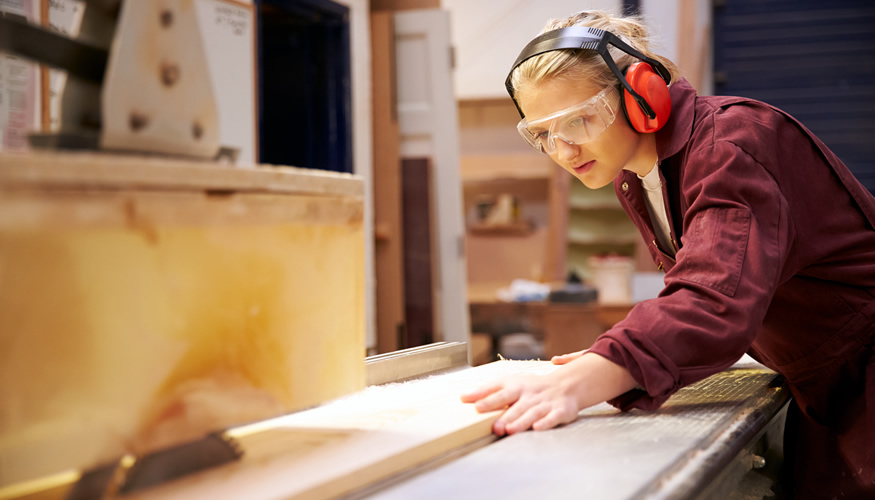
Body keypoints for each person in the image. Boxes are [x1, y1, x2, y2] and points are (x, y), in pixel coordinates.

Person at [460, 9, 875, 498]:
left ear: (641, 93)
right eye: (544, 134)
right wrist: (615, 357)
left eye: (579, 119)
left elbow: (714, 297)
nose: (564, 150)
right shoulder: (637, 180)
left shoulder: (730, 145)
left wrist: (597, 372)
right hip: (825, 384)